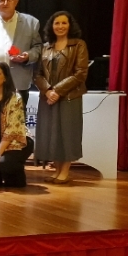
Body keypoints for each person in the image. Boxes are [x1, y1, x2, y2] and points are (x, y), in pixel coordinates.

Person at [33, 11, 89, 184]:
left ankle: (65, 171)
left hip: (69, 97)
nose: (60, 26)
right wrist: (48, 91)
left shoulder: (78, 45)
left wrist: (57, 91)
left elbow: (80, 73)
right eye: (57, 23)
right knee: (51, 135)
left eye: (64, 23)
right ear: (52, 26)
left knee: (67, 134)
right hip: (48, 97)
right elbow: (37, 74)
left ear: (70, 25)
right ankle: (56, 170)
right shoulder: (45, 47)